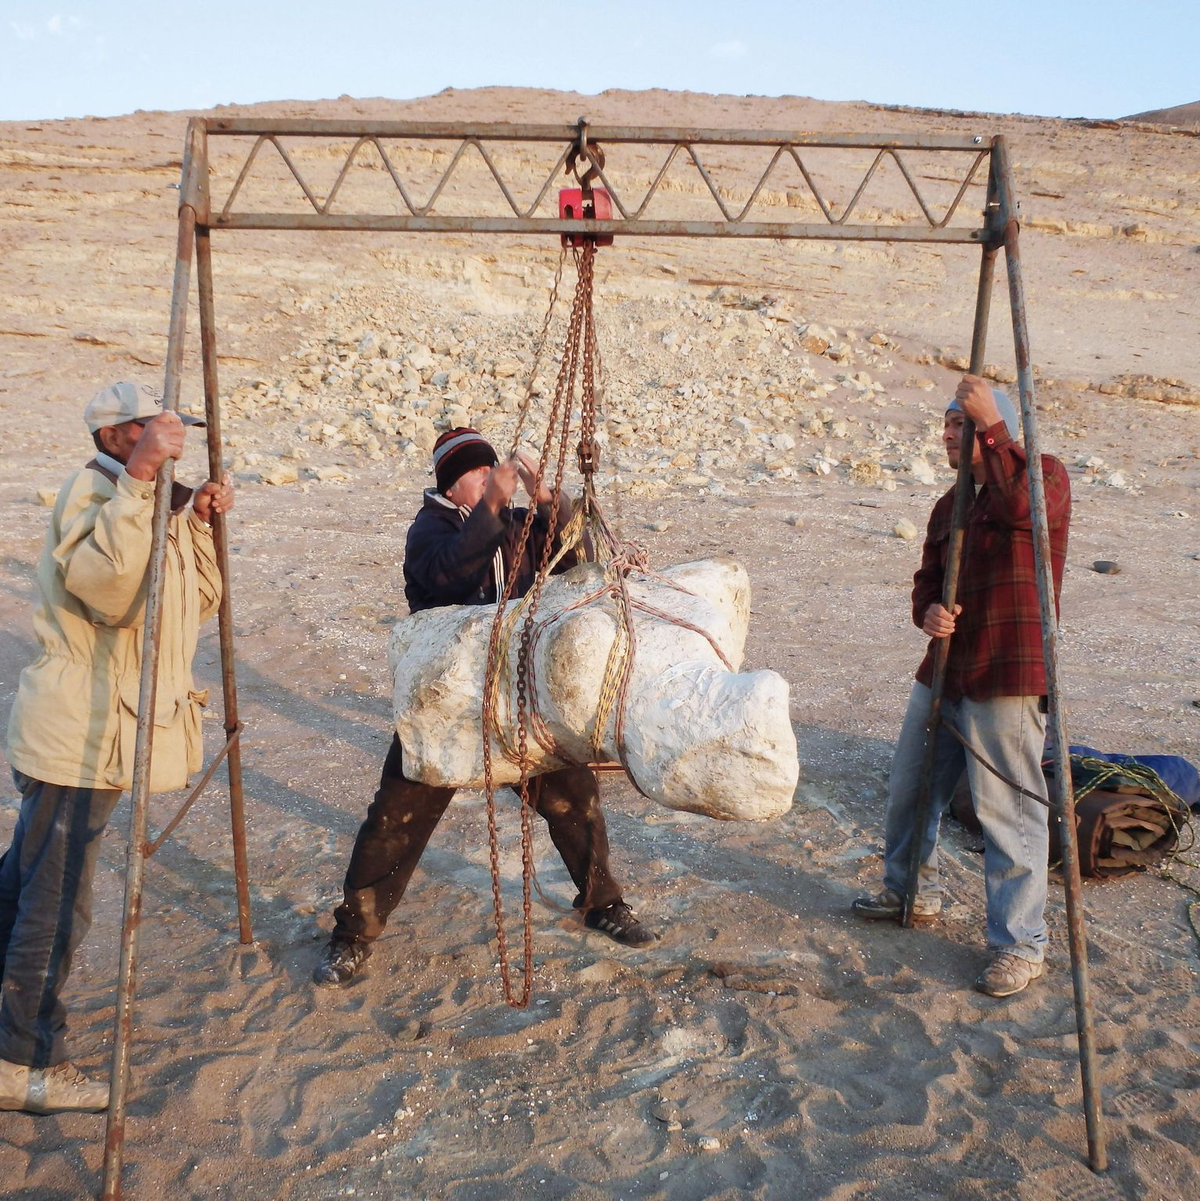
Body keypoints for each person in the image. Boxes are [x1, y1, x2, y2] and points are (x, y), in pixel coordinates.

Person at [314, 428, 654, 987]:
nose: (493, 477)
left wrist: (552, 501)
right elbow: (451, 574)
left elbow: (580, 561)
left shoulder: (517, 522)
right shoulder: (431, 530)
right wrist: (493, 505)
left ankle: (602, 902)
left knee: (574, 799)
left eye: (491, 469)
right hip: (447, 701)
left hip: (515, 697)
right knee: (396, 819)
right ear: (452, 484)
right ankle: (352, 935)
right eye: (478, 472)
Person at [1, 382, 231, 1113]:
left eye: (174, 428)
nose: (173, 439)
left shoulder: (150, 502)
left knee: (28, 877)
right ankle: (23, 1062)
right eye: (151, 429)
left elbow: (192, 607)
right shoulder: (97, 493)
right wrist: (140, 479)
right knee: (56, 900)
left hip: (99, 724)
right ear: (112, 436)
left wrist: (197, 524)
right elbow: (111, 592)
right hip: (81, 726)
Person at [852, 375, 1071, 997]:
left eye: (959, 422)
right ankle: (908, 893)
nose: (948, 435)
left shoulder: (1044, 476)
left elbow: (1021, 509)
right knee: (912, 789)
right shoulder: (949, 505)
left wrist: (991, 426)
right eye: (945, 424)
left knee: (1009, 811)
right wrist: (927, 612)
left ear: (990, 426)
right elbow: (926, 578)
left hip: (1006, 672)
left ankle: (1020, 944)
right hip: (945, 670)